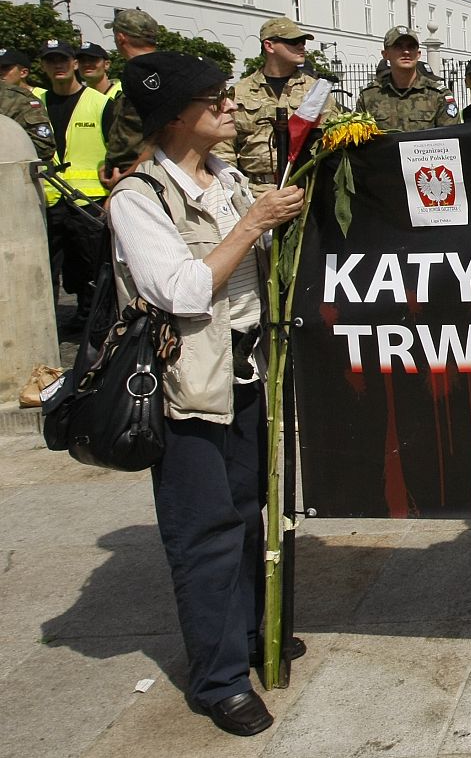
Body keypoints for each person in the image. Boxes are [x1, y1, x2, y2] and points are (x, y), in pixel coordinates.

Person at [107, 51, 308, 736]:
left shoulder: (226, 178)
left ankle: (250, 634)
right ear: (175, 117)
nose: (229, 106)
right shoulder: (140, 198)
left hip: (245, 374)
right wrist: (252, 225)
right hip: (188, 385)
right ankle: (218, 680)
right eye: (214, 99)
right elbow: (183, 290)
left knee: (250, 514)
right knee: (205, 532)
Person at [37, 38, 110, 334]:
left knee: (91, 266)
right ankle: (46, 323)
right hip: (48, 197)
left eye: (63, 60)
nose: (58, 66)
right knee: (47, 268)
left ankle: (92, 320)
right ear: (42, 66)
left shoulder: (99, 103)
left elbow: (118, 151)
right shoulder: (35, 103)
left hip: (89, 200)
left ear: (75, 64)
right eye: (51, 61)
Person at [225, 18, 329, 197]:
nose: (301, 46)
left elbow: (331, 139)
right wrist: (232, 190)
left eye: (303, 42)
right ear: (269, 46)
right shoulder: (240, 92)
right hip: (254, 192)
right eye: (293, 41)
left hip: (302, 191)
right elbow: (224, 147)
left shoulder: (315, 91)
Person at [100, 9, 164, 184]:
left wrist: (130, 173)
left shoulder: (142, 72)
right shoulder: (157, 69)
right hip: (139, 171)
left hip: (141, 175)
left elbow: (161, 132)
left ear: (120, 37)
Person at [357, 27, 457, 131]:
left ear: (418, 54)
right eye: (398, 47)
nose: (406, 52)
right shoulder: (368, 96)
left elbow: (450, 135)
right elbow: (358, 136)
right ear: (385, 54)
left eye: (411, 47)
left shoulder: (439, 95)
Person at [0, 48, 55, 161]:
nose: (0, 72)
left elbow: (44, 147)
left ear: (23, 72)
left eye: (5, 68)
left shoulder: (28, 101)